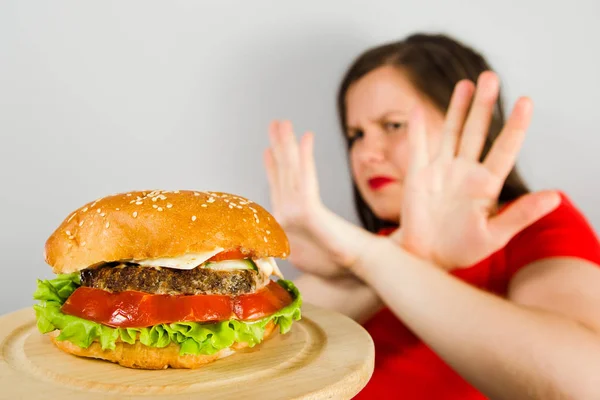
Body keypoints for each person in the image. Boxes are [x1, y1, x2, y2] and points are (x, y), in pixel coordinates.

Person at [262, 33, 600, 399]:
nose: (366, 154)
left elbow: (583, 385)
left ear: (470, 126)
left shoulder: (535, 224)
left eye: (393, 125)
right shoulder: (373, 252)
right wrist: (392, 252)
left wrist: (372, 257)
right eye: (356, 134)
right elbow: (253, 358)